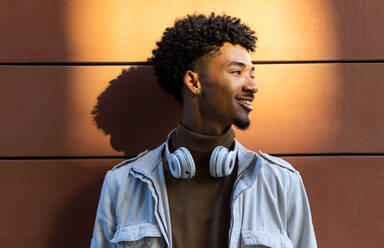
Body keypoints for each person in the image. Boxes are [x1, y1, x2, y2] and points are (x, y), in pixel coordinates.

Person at [91, 13, 317, 248]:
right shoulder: (124, 183)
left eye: (251, 74)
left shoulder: (280, 182)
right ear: (194, 82)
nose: (252, 85)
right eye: (237, 72)